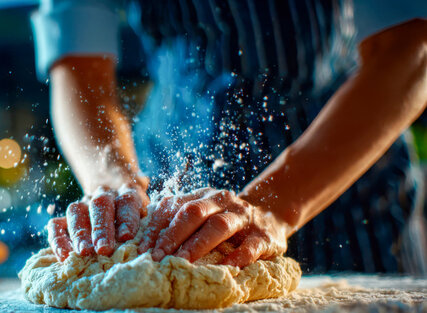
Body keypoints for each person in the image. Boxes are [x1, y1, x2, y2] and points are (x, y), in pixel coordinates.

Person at [32, 0, 427, 273]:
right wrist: (113, 181)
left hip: (345, 192)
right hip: (174, 207)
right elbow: (79, 71)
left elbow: (411, 48)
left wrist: (273, 206)